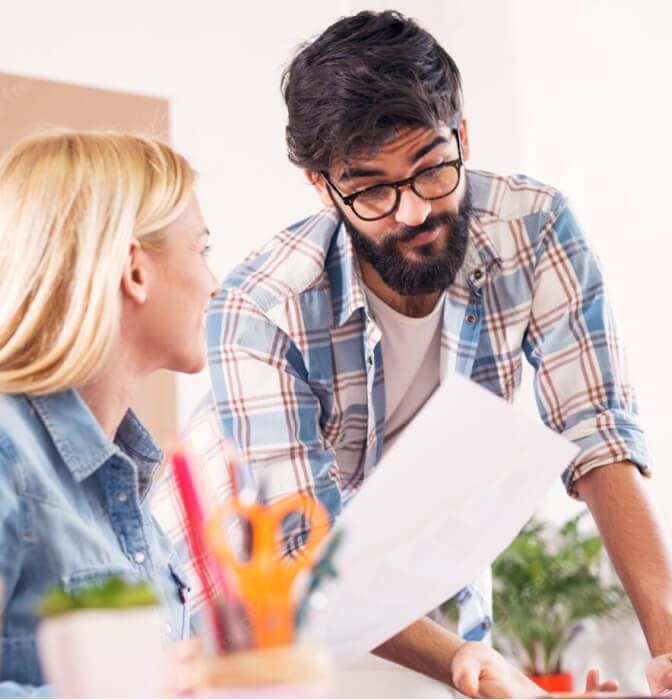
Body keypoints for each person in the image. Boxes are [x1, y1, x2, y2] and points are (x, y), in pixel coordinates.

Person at [154, 10, 671, 696]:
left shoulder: (534, 228)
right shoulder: (263, 307)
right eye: (372, 189)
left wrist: (667, 643)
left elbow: (598, 434)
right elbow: (299, 557)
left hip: (404, 600)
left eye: (431, 168)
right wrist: (480, 667)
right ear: (322, 186)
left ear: (462, 135)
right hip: (245, 616)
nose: (413, 212)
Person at [0, 130, 219, 697]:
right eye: (201, 251)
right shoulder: (7, 453)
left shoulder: (130, 491)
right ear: (134, 270)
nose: (214, 285)